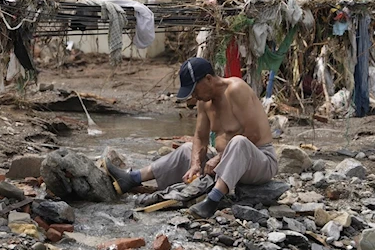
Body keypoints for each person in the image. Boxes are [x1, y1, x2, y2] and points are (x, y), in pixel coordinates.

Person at [105, 57, 278, 218]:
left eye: (195, 90)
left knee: (239, 142)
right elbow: (200, 137)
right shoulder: (204, 102)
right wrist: (195, 164)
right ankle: (132, 178)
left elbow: (253, 135)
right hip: (226, 162)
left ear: (209, 79)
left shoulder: (236, 89)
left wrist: (218, 158)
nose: (193, 96)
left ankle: (212, 200)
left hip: (259, 161)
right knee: (188, 149)